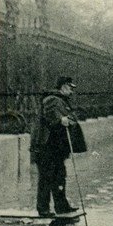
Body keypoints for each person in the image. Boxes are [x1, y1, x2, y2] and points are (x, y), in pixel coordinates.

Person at [32, 76, 80, 217]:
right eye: (70, 88)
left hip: (56, 148)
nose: (71, 91)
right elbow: (50, 116)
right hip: (46, 147)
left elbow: (72, 117)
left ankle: (62, 207)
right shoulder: (52, 99)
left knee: (60, 177)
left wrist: (68, 120)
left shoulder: (63, 101)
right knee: (46, 178)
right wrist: (61, 120)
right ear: (63, 86)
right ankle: (43, 209)